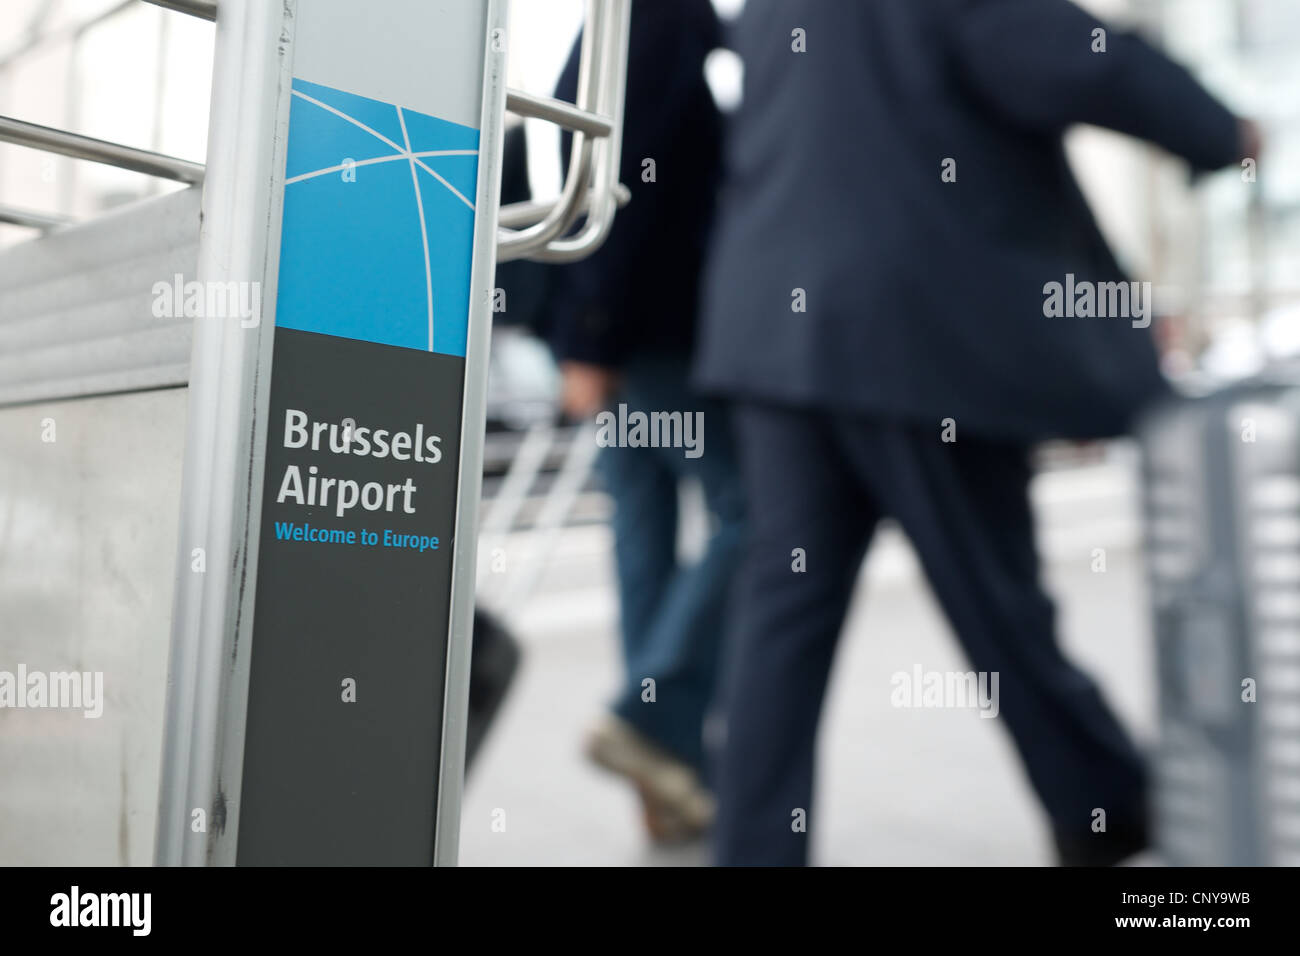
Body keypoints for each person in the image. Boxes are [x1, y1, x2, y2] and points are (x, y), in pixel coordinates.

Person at [694, 0, 1258, 865]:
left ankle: (754, 850)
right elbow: (1081, 60)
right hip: (912, 335)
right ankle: (1104, 803)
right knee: (996, 597)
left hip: (776, 333)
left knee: (783, 611)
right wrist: (1221, 132)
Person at [538, 0, 744, 841]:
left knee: (644, 542)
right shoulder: (655, 14)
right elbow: (624, 176)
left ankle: (669, 780)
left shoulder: (640, 20)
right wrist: (596, 333)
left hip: (621, 333)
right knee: (759, 513)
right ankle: (652, 726)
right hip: (648, 335)